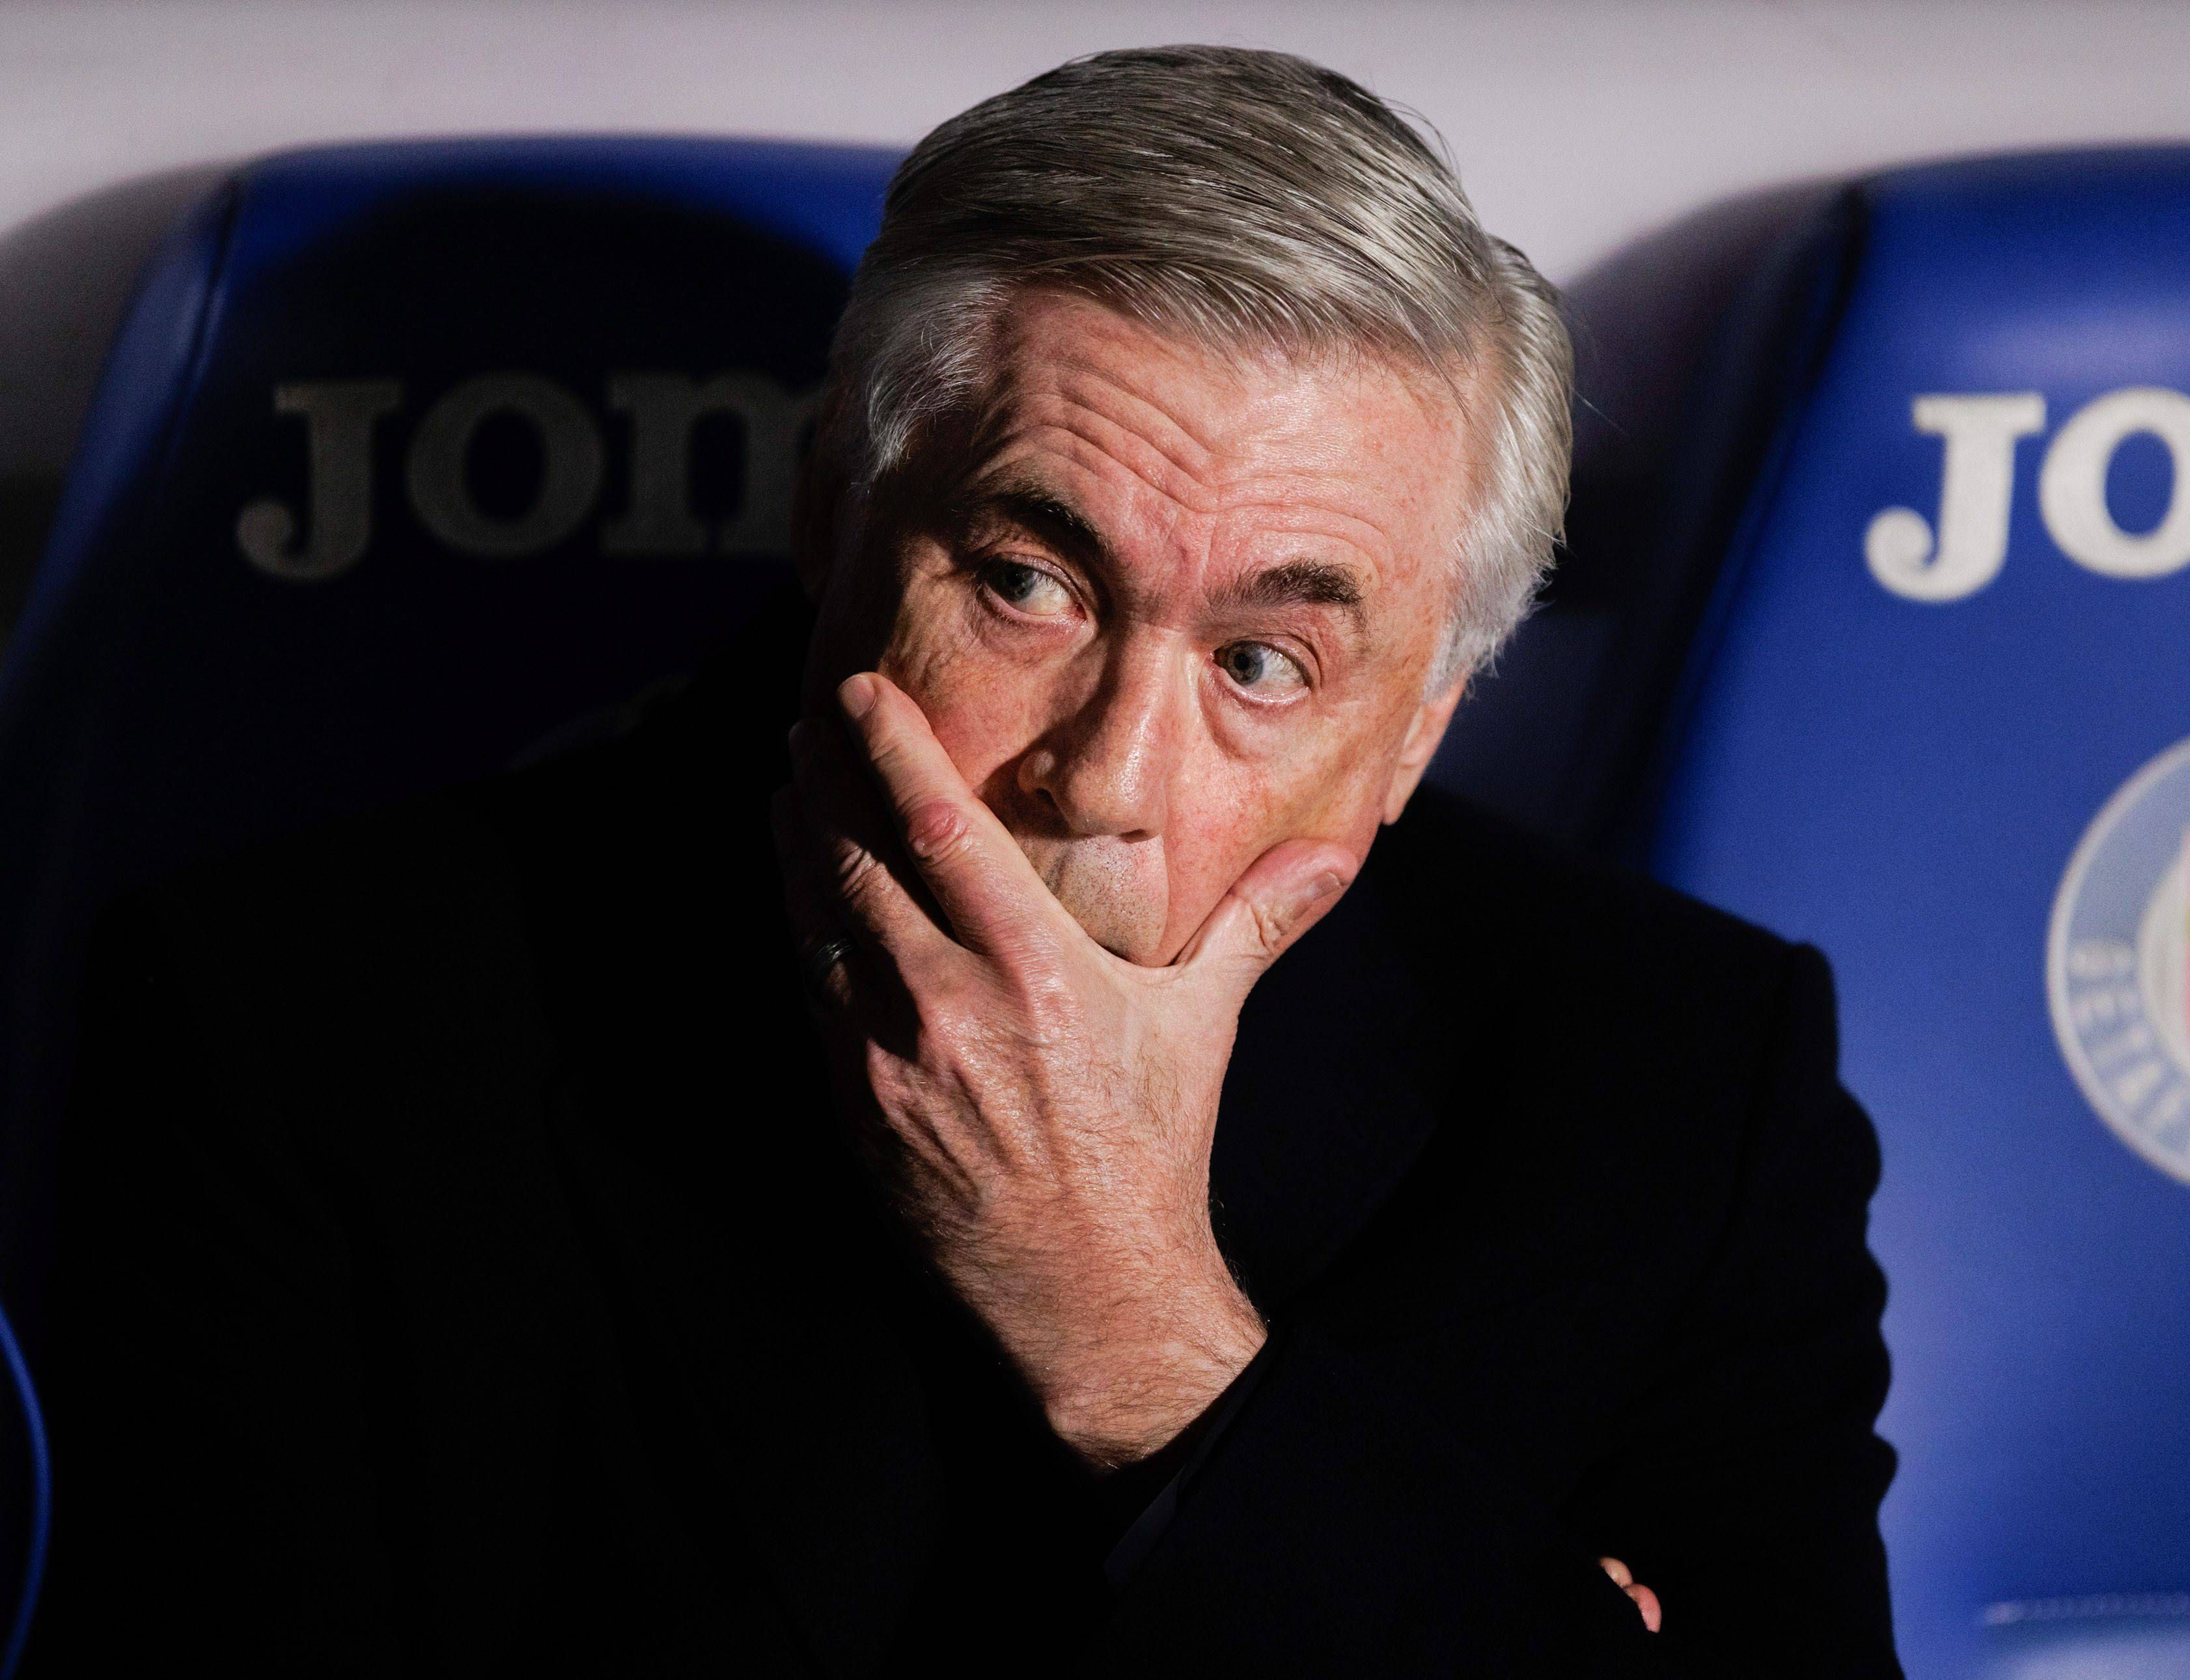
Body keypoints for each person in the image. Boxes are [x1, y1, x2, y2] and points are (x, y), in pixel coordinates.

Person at [37, 45, 1898, 1677]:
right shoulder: (296, 1032)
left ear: (1418, 727)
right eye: (1028, 582)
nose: (1108, 778)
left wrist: (1148, 1349)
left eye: (1264, 663)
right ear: (832, 513)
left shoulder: (1678, 1088)